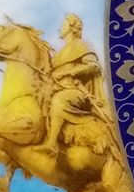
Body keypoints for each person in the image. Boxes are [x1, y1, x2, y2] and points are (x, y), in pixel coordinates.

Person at [43, 14, 111, 154]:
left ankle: (51, 144)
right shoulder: (59, 54)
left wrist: (70, 72)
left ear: (71, 26)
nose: (59, 28)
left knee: (58, 101)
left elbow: (94, 66)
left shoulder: (83, 45)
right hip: (56, 88)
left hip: (76, 92)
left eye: (63, 25)